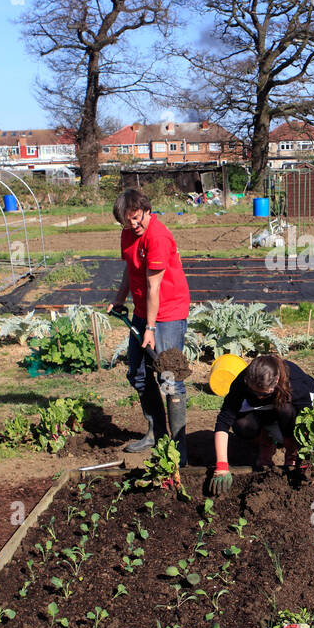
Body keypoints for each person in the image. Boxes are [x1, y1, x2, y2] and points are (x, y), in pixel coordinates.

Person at [105, 188, 191, 465]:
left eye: (137, 218)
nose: (133, 225)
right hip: (144, 312)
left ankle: (179, 447)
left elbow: (154, 287)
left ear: (146, 210)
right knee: (139, 374)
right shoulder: (128, 234)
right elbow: (131, 270)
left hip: (167, 313)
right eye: (127, 221)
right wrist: (119, 299)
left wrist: (150, 328)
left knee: (168, 377)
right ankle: (156, 434)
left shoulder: (158, 236)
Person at [208, 354, 314, 494]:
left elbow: (306, 420)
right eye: (254, 392)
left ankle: (291, 452)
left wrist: (305, 456)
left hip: (288, 411)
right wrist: (221, 466)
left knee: (286, 410)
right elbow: (223, 422)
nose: (259, 396)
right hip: (260, 412)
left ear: (276, 380)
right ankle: (265, 441)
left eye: (264, 394)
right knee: (242, 425)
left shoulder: (295, 384)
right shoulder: (242, 381)